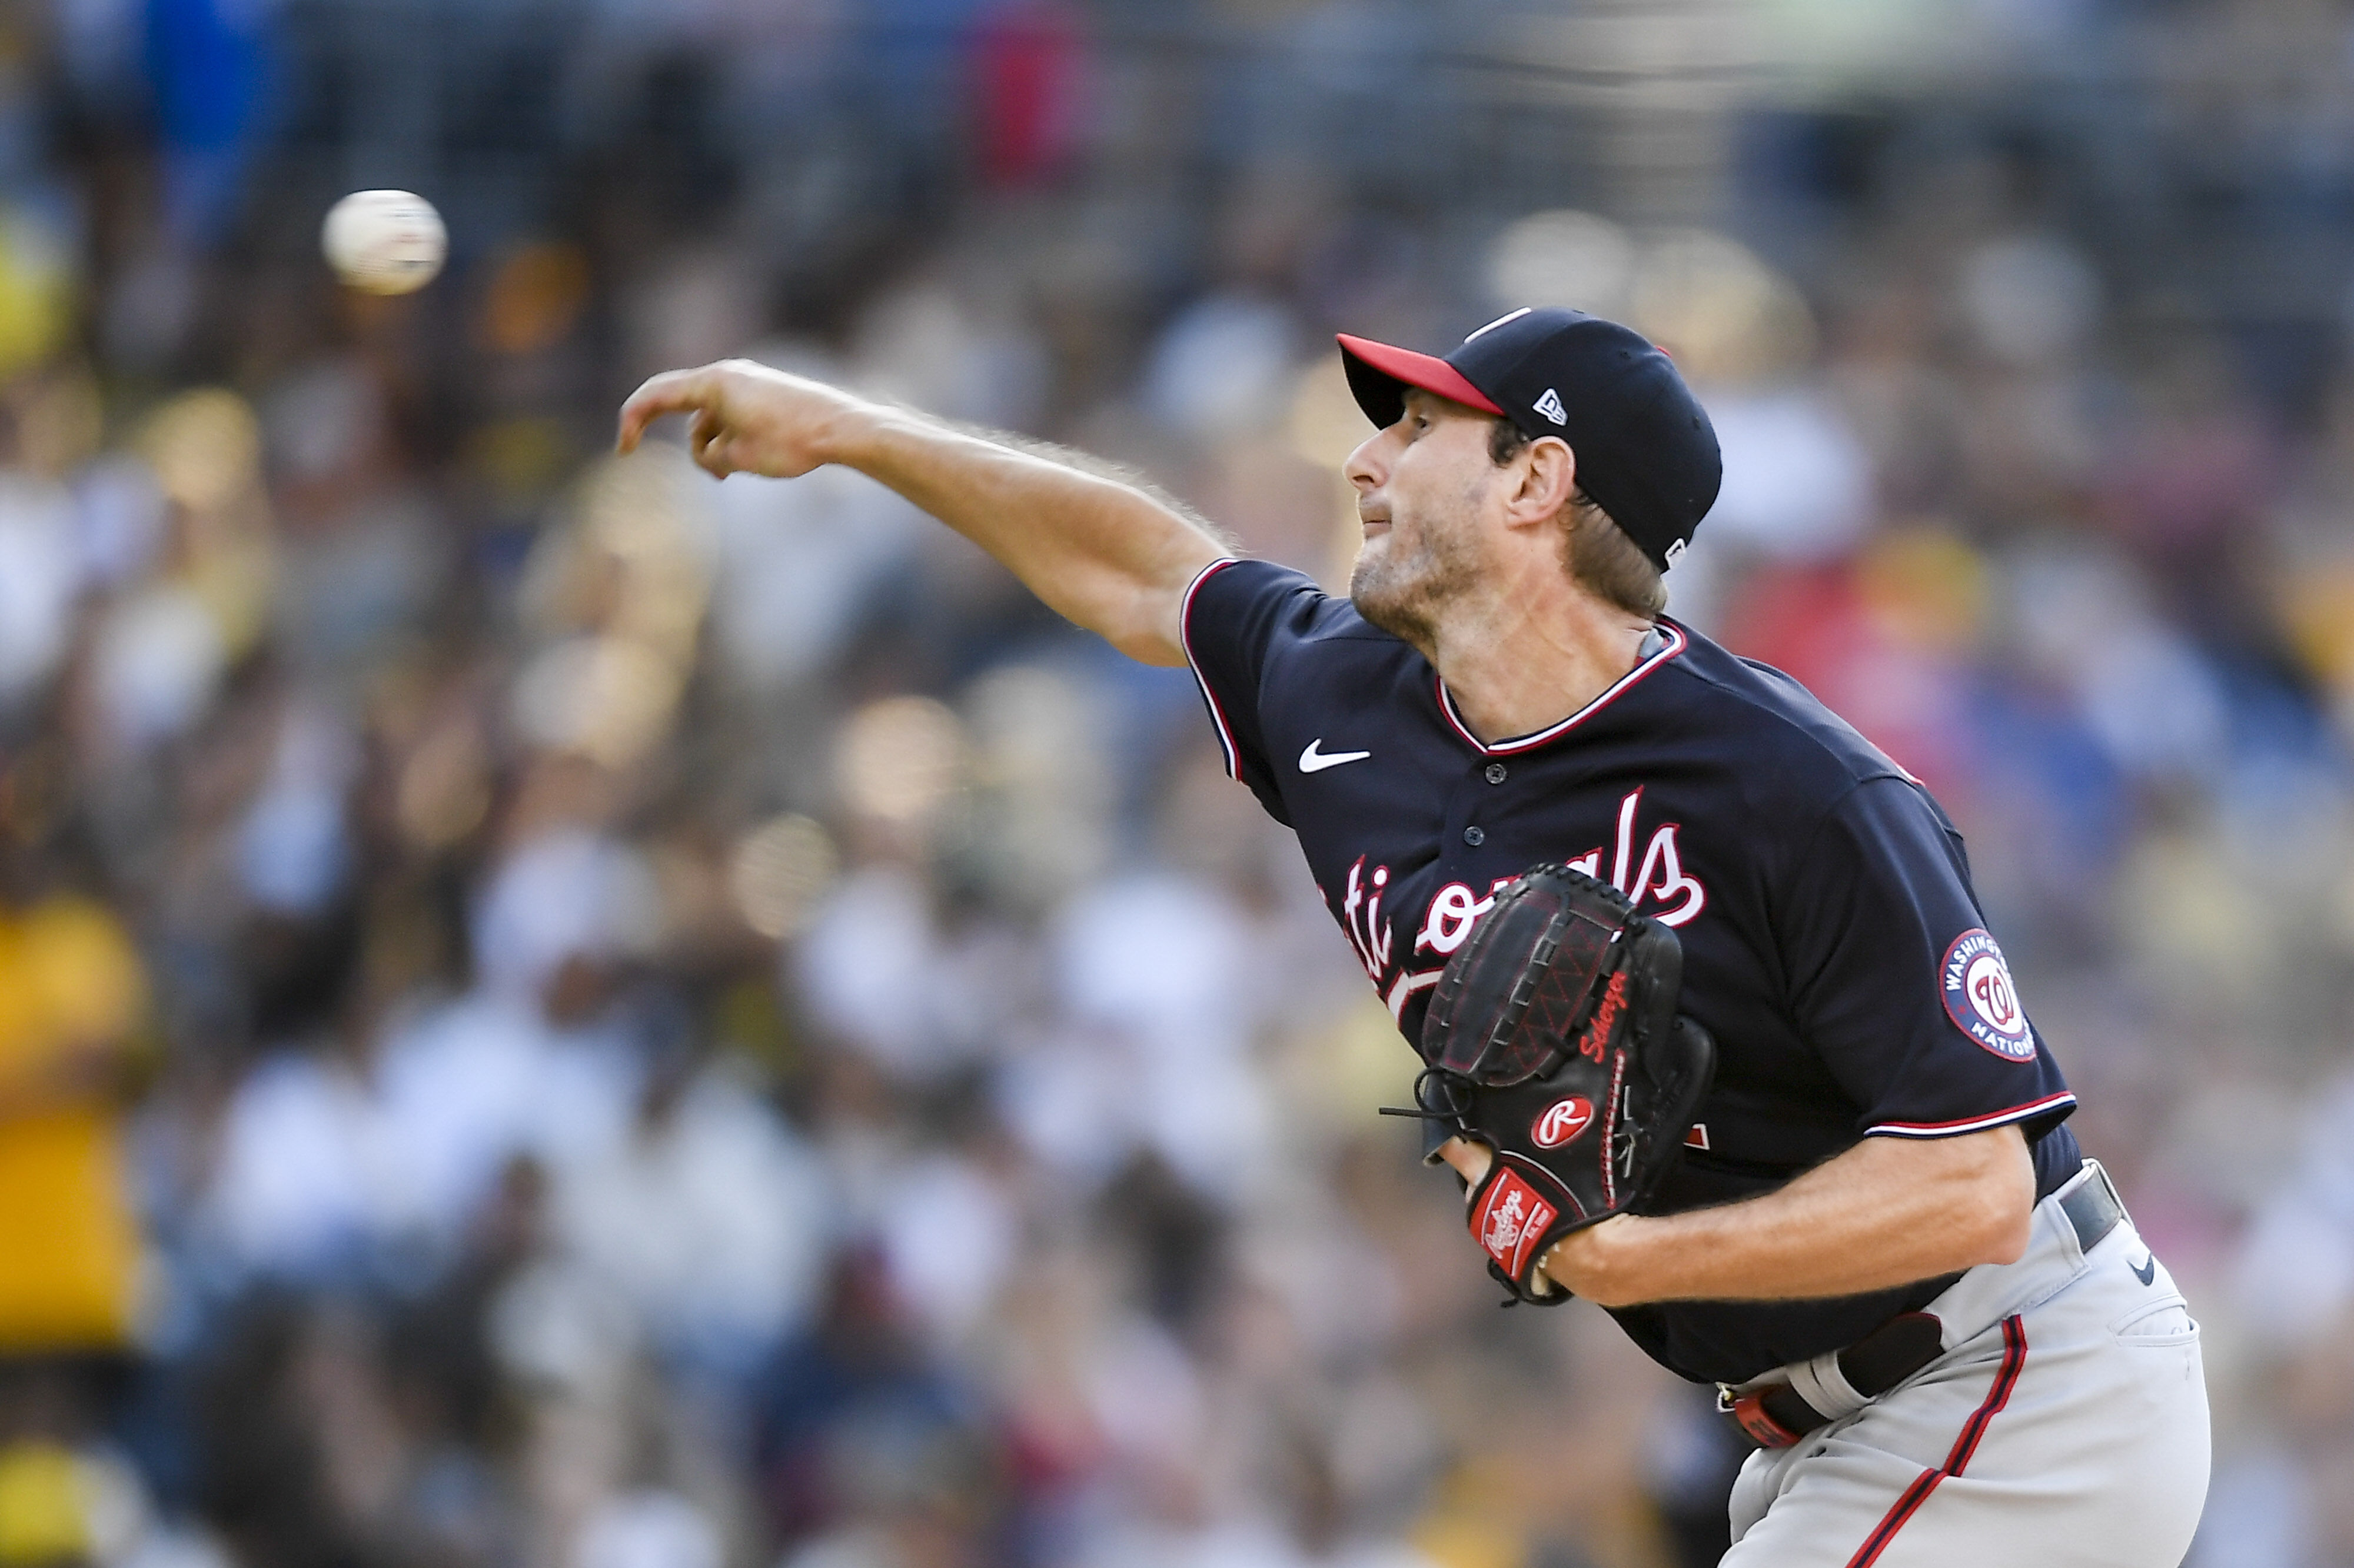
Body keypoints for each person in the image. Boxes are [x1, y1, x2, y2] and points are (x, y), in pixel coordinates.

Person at [617, 306, 2211, 1565]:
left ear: (1537, 482)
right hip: (1833, 1431)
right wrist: (851, 430)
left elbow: (1977, 1178)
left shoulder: (1799, 787)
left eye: (1420, 426)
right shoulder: (1350, 702)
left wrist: (1632, 1256)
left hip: (2019, 1383)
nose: (1366, 461)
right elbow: (1146, 570)